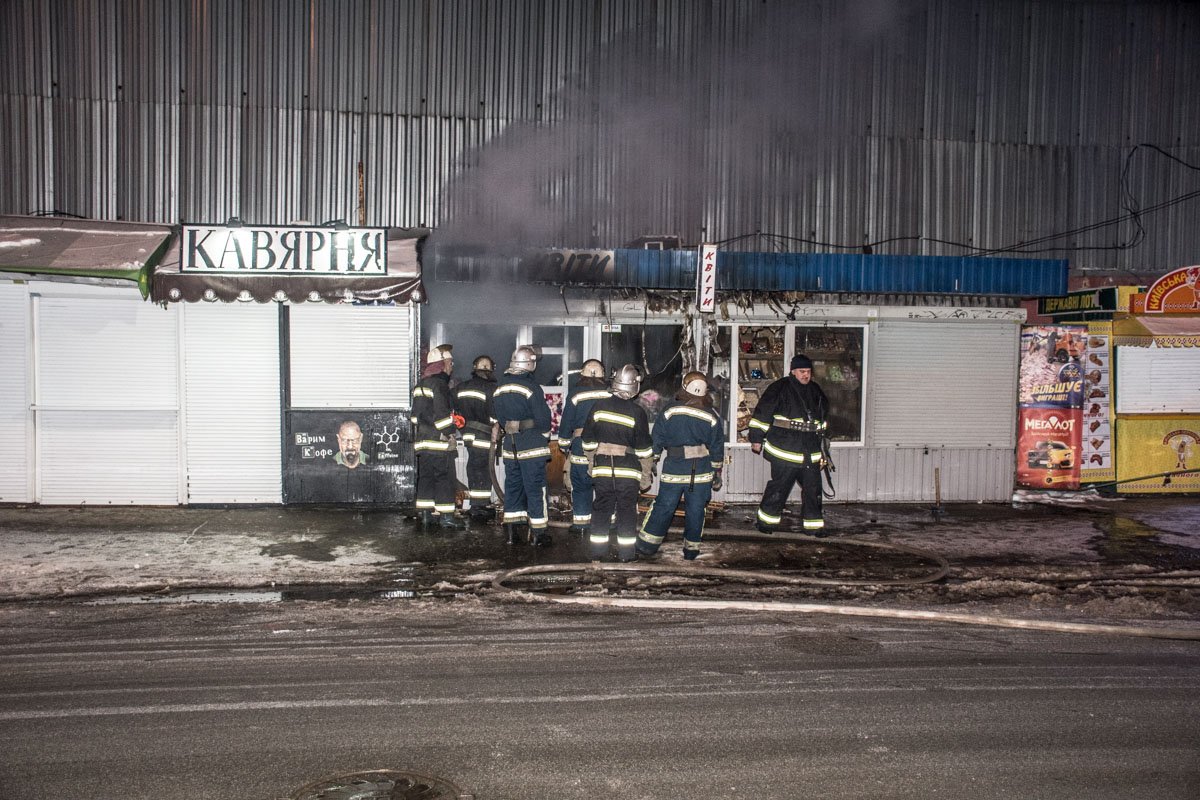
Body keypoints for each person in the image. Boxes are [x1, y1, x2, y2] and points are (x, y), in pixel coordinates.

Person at [637, 372, 725, 560]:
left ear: (684, 387)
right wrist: (717, 471)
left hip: (674, 468)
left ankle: (646, 546)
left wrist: (652, 460)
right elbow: (717, 447)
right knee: (696, 510)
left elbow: (657, 437)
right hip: (701, 471)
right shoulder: (711, 415)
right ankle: (691, 551)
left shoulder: (670, 410)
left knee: (664, 506)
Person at [748, 353, 830, 535]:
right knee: (779, 488)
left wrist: (824, 443)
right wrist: (756, 438)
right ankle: (766, 524)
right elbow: (763, 413)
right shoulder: (779, 388)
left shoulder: (815, 390)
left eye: (808, 371)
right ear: (793, 371)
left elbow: (823, 417)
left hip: (809, 451)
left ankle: (814, 527)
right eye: (802, 371)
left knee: (813, 490)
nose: (806, 375)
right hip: (785, 450)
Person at [581, 364, 653, 562]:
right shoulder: (637, 412)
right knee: (627, 512)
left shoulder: (598, 407)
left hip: (603, 469)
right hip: (628, 472)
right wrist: (646, 475)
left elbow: (587, 441)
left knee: (601, 510)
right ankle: (626, 556)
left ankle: (597, 553)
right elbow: (644, 450)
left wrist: (592, 462)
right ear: (634, 387)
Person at [493, 345, 553, 546]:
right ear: (530, 364)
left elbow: (498, 417)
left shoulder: (500, 386)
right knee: (536, 489)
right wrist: (543, 436)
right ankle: (538, 534)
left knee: (513, 488)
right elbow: (543, 420)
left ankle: (511, 534)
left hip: (510, 447)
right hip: (532, 446)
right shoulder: (531, 387)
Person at [410, 344, 465, 530]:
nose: (451, 367)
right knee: (444, 478)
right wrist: (451, 431)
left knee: (426, 478)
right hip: (439, 443)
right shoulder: (440, 385)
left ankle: (426, 516)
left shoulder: (420, 385)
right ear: (441, 364)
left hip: (423, 442)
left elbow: (415, 417)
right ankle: (447, 517)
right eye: (449, 363)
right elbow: (442, 417)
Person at [556, 359, 610, 536]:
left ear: (582, 374)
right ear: (603, 374)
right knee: (606, 488)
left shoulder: (575, 393)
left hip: (580, 447)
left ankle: (581, 525)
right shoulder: (610, 393)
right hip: (606, 446)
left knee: (580, 486)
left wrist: (564, 445)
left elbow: (566, 422)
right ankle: (609, 524)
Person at [454, 355, 499, 522]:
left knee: (473, 466)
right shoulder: (491, 388)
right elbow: (495, 414)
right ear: (491, 370)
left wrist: (461, 426)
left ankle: (477, 504)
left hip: (468, 435)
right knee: (483, 469)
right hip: (484, 434)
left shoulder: (461, 387)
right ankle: (479, 507)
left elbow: (452, 409)